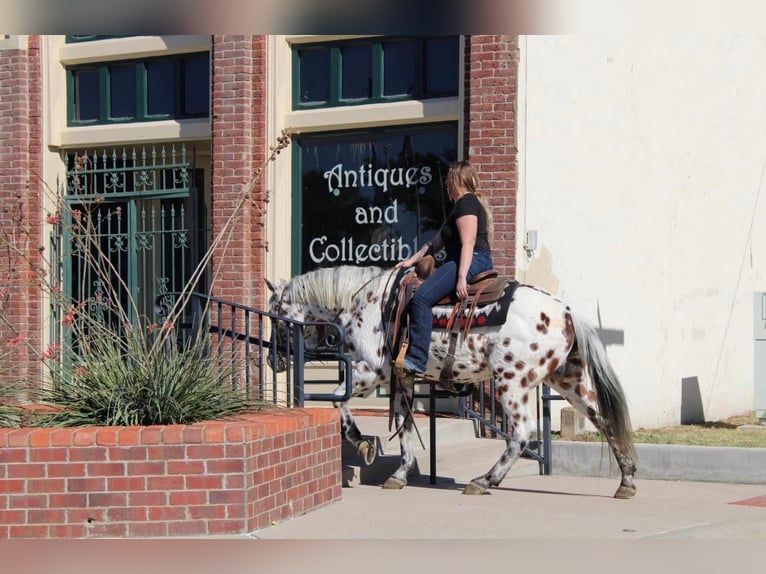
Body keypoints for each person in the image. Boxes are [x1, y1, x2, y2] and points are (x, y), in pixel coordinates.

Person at [394, 160, 494, 375]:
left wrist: (461, 277)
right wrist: (410, 261)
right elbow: (434, 243)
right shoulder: (459, 206)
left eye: (449, 180)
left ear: (457, 180)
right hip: (469, 258)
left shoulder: (466, 203)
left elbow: (469, 242)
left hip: (470, 259)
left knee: (420, 299)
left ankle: (418, 359)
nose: (447, 185)